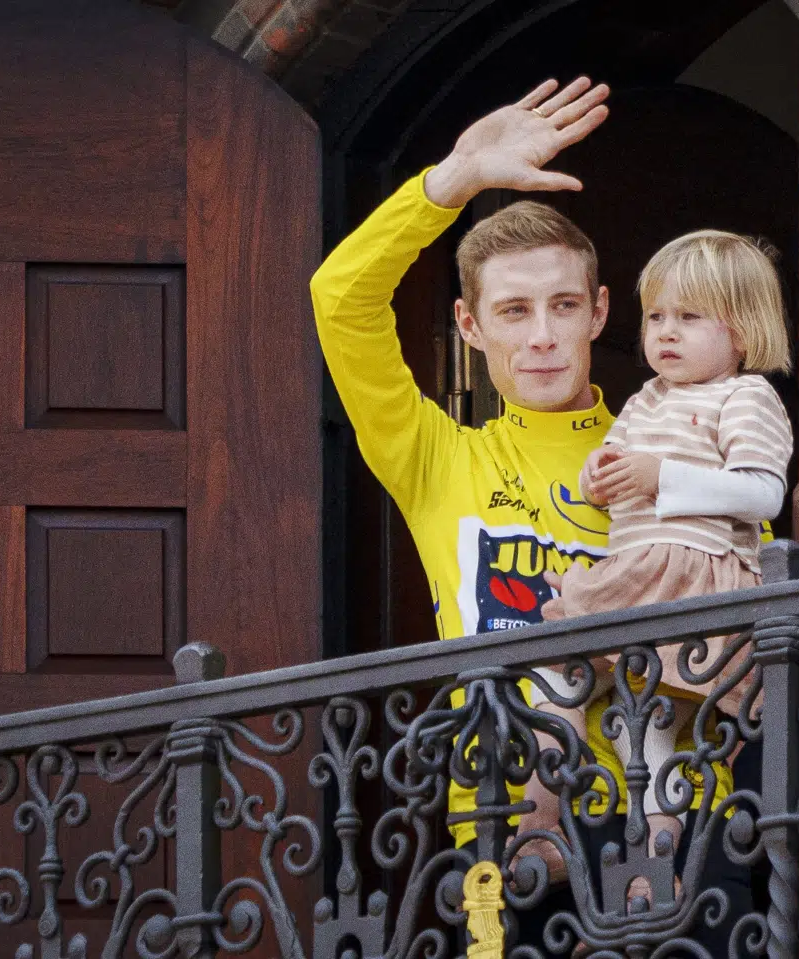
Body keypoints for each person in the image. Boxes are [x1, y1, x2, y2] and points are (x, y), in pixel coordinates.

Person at [309, 78, 752, 953]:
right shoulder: (440, 460)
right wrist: (456, 179)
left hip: (683, 826)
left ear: (598, 312)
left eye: (560, 306)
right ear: (471, 325)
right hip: (510, 834)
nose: (541, 334)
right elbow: (341, 301)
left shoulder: (684, 449)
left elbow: (748, 629)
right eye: (514, 311)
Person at [528, 229, 794, 901]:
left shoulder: (747, 397)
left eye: (689, 316)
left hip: (692, 576)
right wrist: (600, 476)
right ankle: (548, 805)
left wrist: (661, 476)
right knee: (583, 684)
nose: (665, 332)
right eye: (655, 317)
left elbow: (763, 492)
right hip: (633, 573)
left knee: (651, 722)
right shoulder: (644, 400)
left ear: (742, 331)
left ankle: (655, 851)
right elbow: (612, 473)